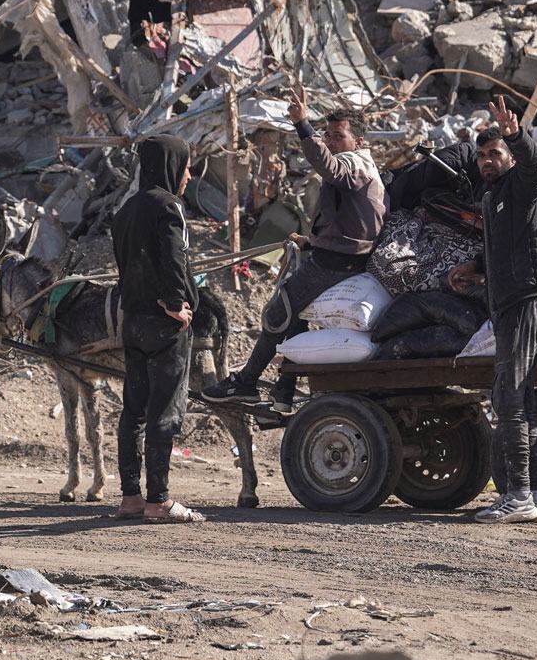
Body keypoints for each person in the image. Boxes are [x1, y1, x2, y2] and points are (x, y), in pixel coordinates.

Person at [204, 80, 386, 404]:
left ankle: (245, 382)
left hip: (336, 263)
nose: (330, 141)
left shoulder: (354, 163)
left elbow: (331, 168)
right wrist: (311, 241)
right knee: (295, 313)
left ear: (358, 141)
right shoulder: (363, 168)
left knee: (279, 311)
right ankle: (284, 391)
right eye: (327, 135)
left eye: (337, 136)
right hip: (338, 256)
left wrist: (303, 125)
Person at [446, 96, 537, 524]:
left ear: (510, 156)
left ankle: (518, 496)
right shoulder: (496, 196)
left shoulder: (523, 182)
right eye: (480, 156)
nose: (486, 161)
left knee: (509, 398)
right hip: (513, 298)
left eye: (494, 153)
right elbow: (512, 245)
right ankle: (535, 496)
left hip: (527, 297)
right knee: (519, 400)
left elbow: (535, 166)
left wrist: (517, 134)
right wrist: (475, 268)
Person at [110, 134, 208, 523]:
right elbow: (173, 256)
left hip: (131, 321)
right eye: (185, 167)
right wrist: (174, 303)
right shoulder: (170, 206)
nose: (188, 175)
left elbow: (127, 265)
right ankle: (159, 501)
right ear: (170, 166)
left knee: (133, 410)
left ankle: (130, 498)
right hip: (164, 325)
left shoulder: (125, 209)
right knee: (164, 412)